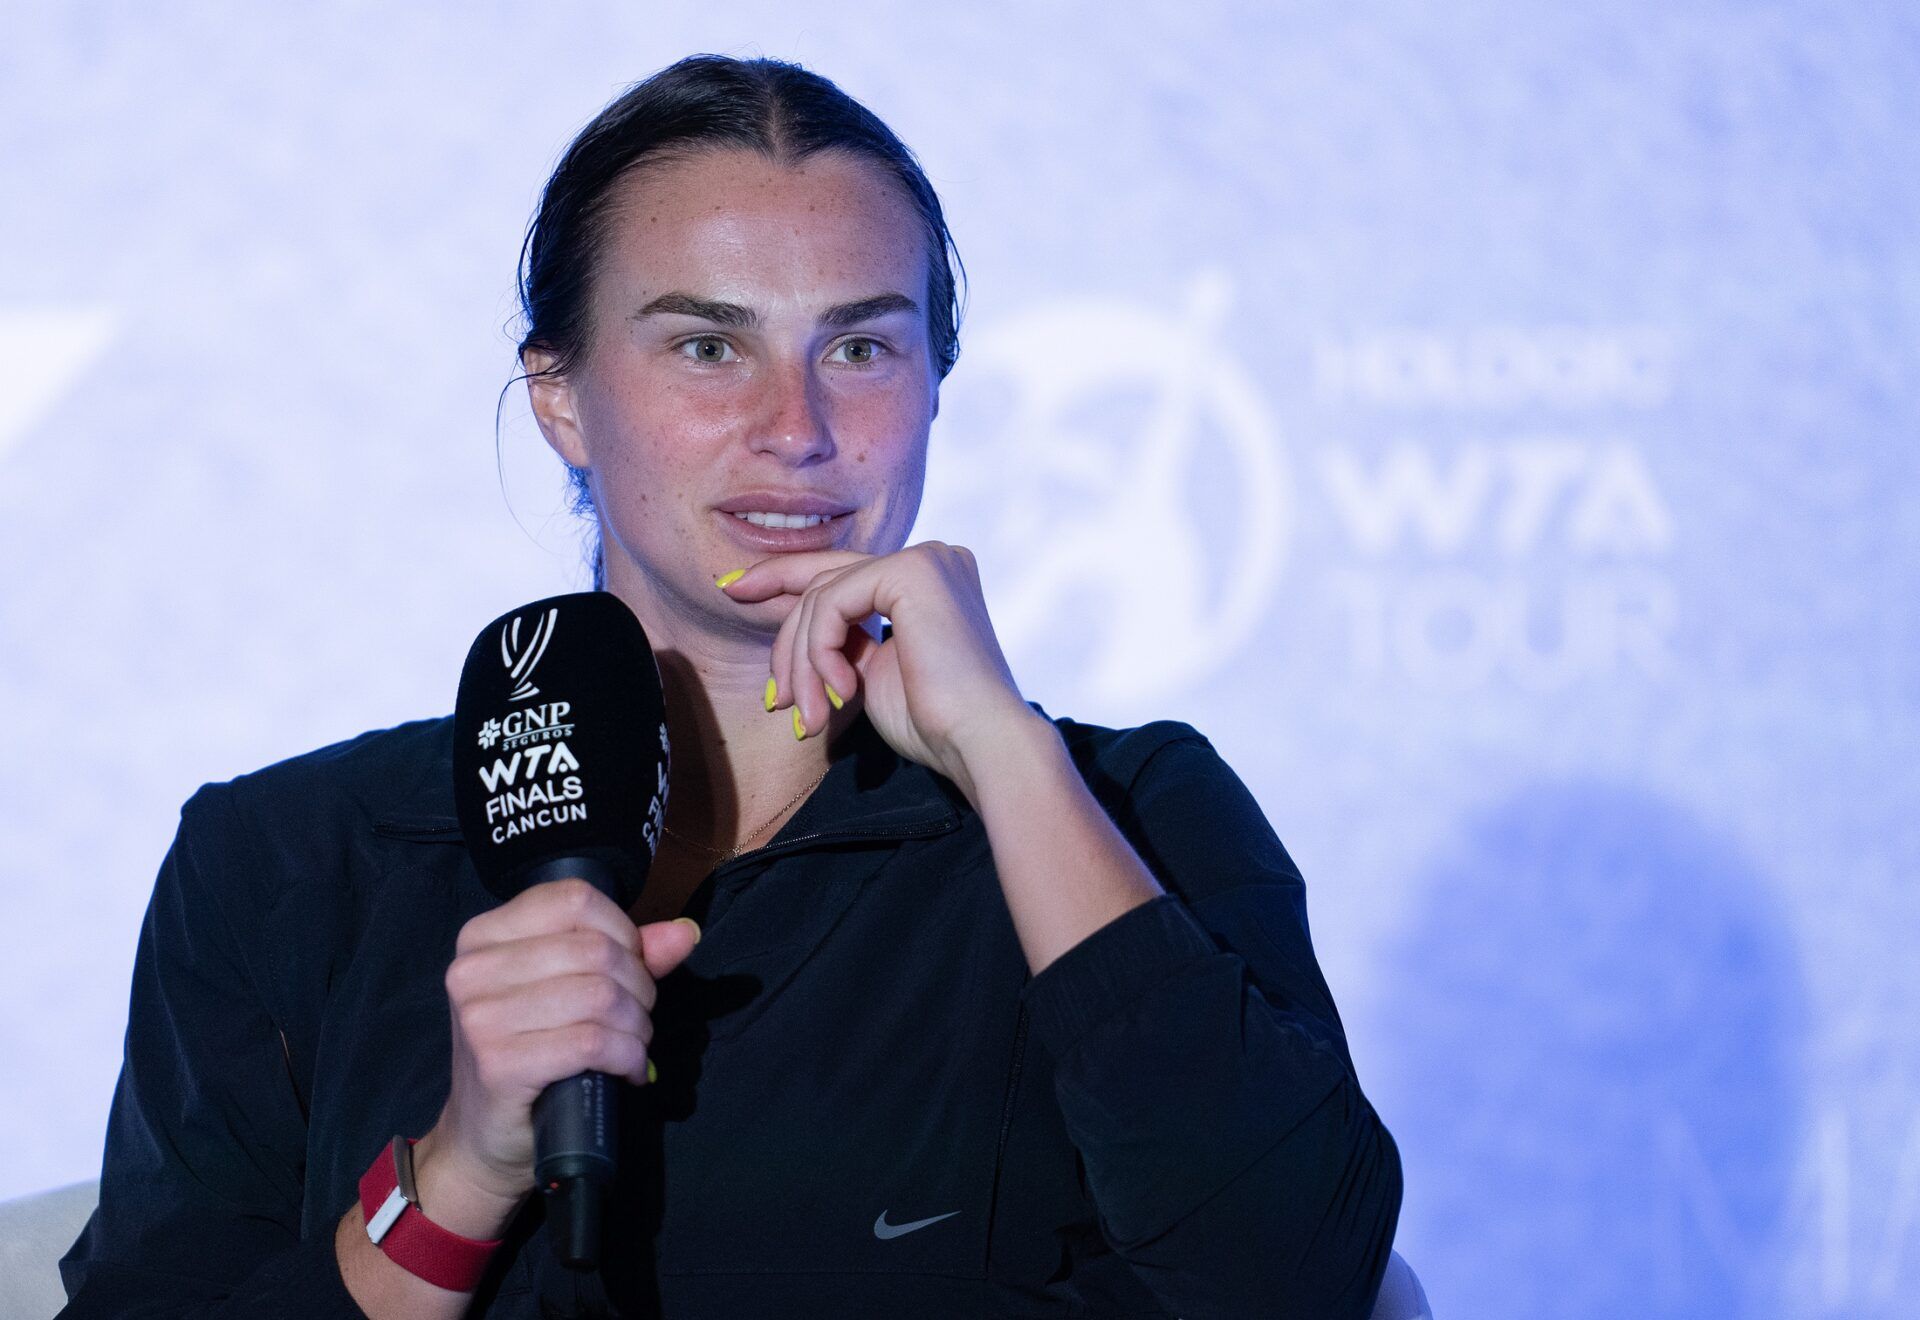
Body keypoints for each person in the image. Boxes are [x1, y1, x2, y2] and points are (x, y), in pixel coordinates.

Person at [57, 54, 1403, 1319]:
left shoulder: (1127, 812)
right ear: (563, 400)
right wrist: (462, 1173)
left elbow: (1300, 1281)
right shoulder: (294, 861)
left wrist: (1004, 752)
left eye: (862, 348)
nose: (797, 430)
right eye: (708, 347)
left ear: (937, 383)